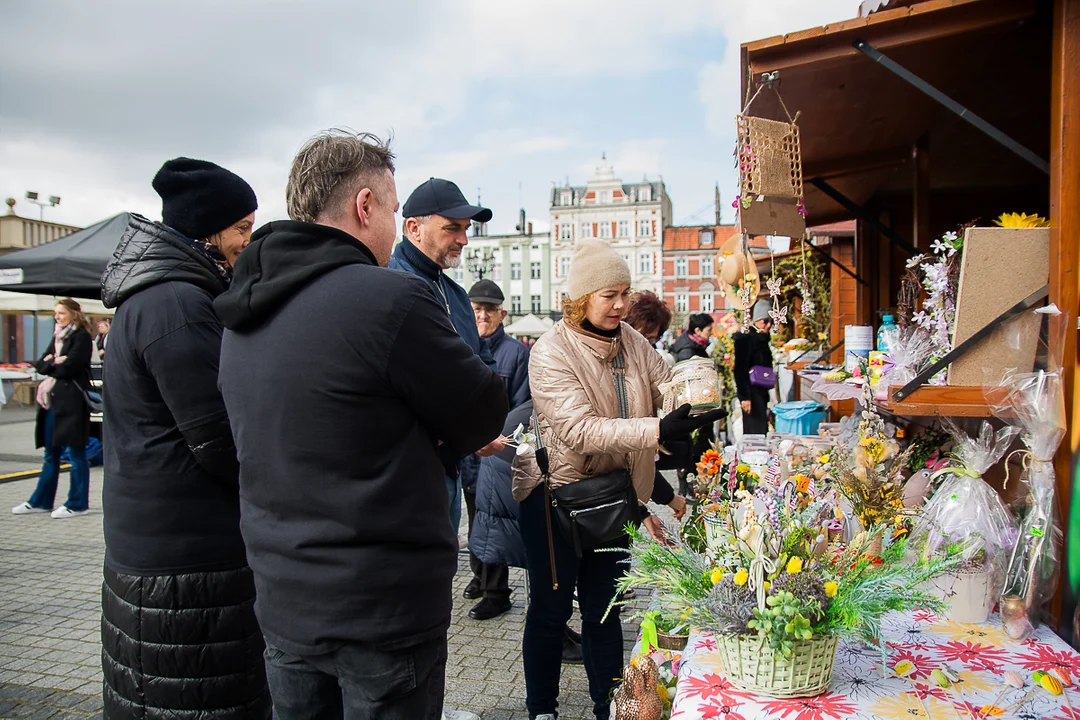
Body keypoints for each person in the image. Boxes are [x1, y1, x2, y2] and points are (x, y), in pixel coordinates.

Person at [214, 130, 508, 720]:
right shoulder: (388, 299)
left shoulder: (242, 311)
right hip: (380, 607)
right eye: (395, 210)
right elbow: (483, 409)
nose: (394, 225)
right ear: (364, 205)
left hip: (283, 595)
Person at [517, 239, 725, 720]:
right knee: (550, 613)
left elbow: (664, 381)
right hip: (555, 499)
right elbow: (579, 430)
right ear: (581, 297)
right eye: (609, 294)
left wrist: (692, 389)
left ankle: (610, 706)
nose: (620, 304)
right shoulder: (550, 353)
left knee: (605, 610)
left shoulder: (632, 340)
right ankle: (541, 709)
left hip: (613, 497)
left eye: (625, 293)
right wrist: (657, 428)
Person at [98, 158, 270, 719]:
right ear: (207, 232)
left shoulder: (160, 295)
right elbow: (222, 439)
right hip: (185, 560)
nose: (248, 243)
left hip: (162, 548)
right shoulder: (177, 303)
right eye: (242, 229)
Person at [390, 178, 497, 539]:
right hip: (405, 473)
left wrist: (481, 421)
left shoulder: (455, 293)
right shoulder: (389, 285)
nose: (464, 240)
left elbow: (482, 364)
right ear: (413, 228)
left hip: (449, 465)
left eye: (466, 230)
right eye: (452, 228)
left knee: (438, 575)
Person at [462, 278, 529, 621]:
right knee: (475, 517)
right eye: (476, 309)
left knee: (494, 520)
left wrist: (503, 444)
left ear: (502, 313)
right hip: (466, 452)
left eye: (489, 309)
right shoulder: (460, 345)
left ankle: (496, 592)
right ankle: (480, 575)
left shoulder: (516, 353)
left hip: (497, 450)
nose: (483, 315)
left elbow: (522, 407)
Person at [12, 298, 93, 519]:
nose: (57, 317)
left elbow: (70, 367)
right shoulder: (58, 336)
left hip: (72, 404)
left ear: (74, 314)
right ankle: (41, 501)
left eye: (61, 313)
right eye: (55, 313)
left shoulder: (82, 337)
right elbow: (41, 363)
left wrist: (53, 363)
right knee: (51, 454)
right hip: (52, 402)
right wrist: (54, 362)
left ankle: (77, 503)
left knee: (76, 454)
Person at [623, 291, 688, 519]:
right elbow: (626, 450)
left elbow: (639, 458)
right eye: (642, 338)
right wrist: (666, 498)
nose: (646, 346)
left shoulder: (644, 369)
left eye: (651, 341)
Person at [734, 299, 775, 435]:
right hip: (751, 392)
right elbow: (740, 370)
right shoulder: (746, 340)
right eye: (765, 321)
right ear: (756, 320)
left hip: (762, 391)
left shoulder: (763, 339)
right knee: (754, 431)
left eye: (771, 321)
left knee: (761, 429)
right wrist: (744, 397)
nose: (768, 325)